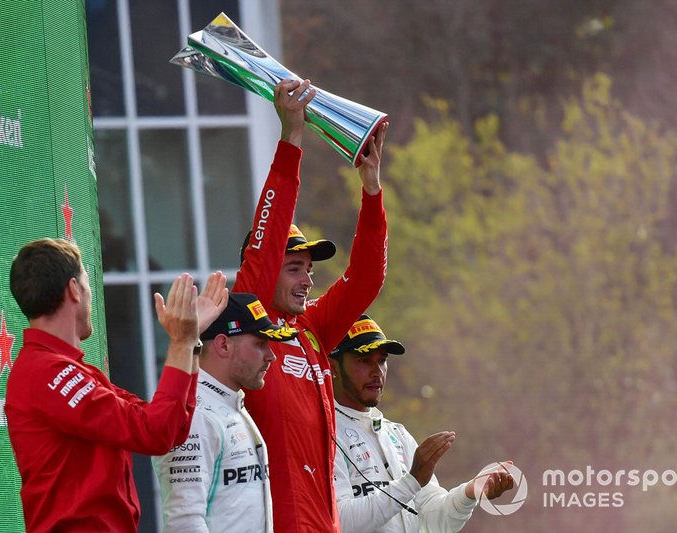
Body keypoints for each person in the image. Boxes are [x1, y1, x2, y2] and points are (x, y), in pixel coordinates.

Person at [233, 78, 389, 531]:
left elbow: (366, 279)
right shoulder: (249, 321)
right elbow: (266, 243)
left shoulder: (313, 329)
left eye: (310, 269)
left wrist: (372, 190)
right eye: (294, 268)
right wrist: (291, 140)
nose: (308, 279)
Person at [4, 238, 228, 532]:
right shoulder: (47, 372)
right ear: (73, 289)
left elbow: (170, 428)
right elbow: (154, 432)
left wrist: (190, 343)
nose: (89, 294)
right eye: (86, 283)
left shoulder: (71, 371)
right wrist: (181, 342)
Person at [329, 315, 515, 533]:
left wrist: (469, 493)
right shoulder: (324, 434)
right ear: (333, 367)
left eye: (381, 360)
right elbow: (340, 522)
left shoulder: (396, 434)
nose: (377, 372)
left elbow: (435, 523)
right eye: (364, 360)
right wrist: (412, 481)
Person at [152, 292, 299, 532]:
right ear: (223, 344)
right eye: (260, 344)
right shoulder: (196, 414)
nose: (271, 356)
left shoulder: (231, 403)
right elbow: (184, 522)